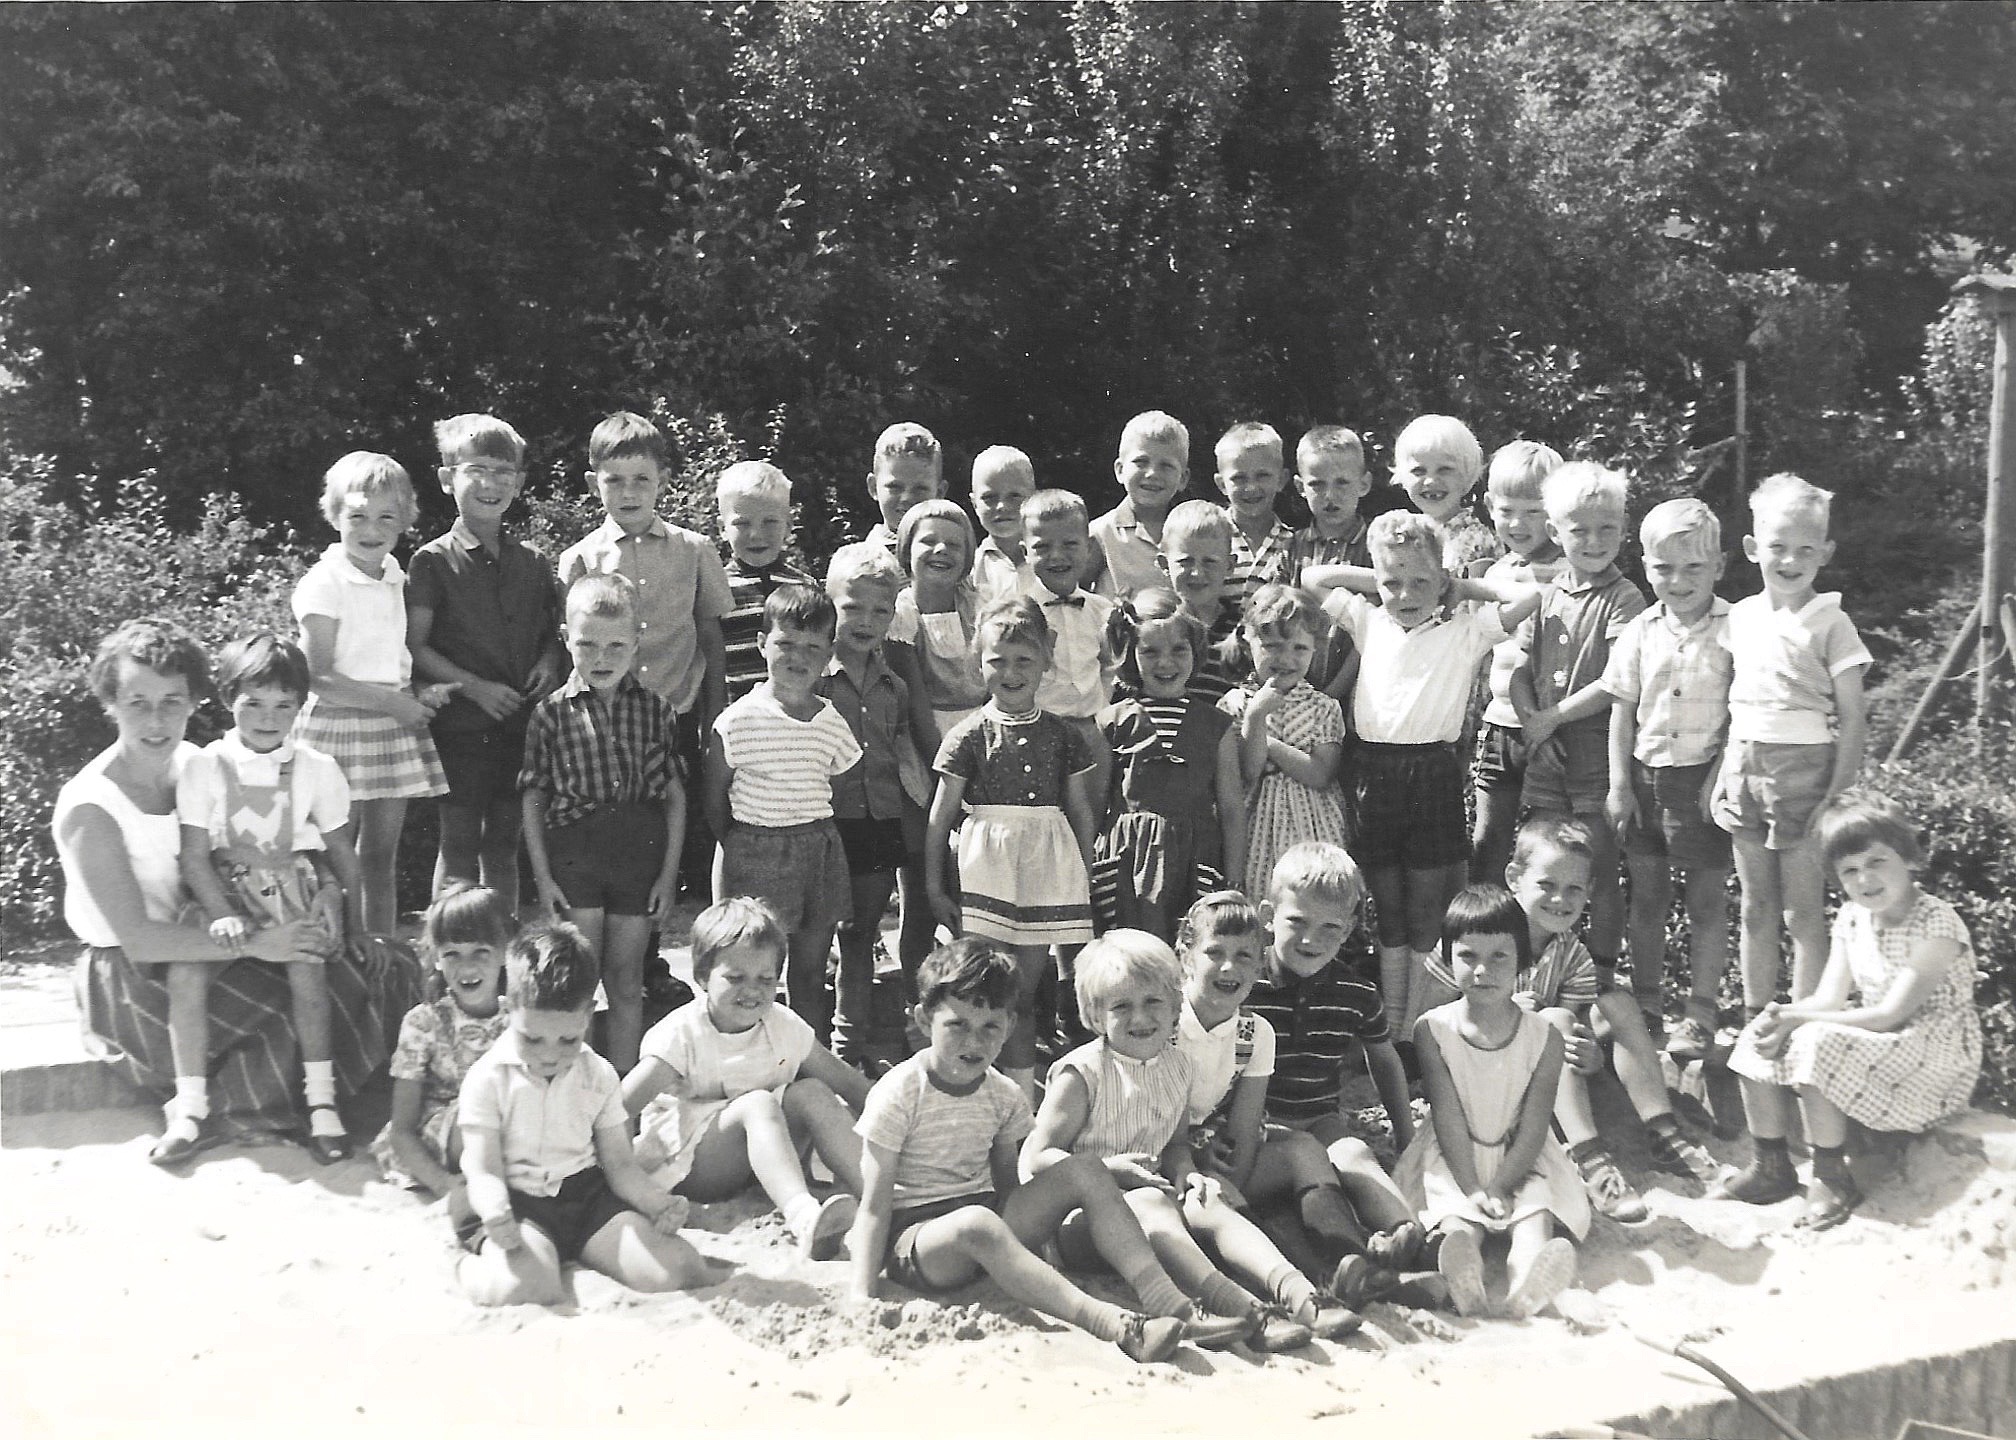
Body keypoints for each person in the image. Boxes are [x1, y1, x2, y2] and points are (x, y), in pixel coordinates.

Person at [61, 620, 405, 1166]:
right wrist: (261, 942)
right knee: (313, 988)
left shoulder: (194, 763)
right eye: (137, 703)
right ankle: (195, 1108)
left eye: (172, 701)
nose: (156, 720)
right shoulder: (90, 806)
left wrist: (331, 893)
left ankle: (329, 1106)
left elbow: (297, 840)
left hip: (224, 931)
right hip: (138, 973)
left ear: (197, 701)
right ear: (110, 703)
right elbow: (143, 941)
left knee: (354, 968)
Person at [844, 936, 1190, 1363]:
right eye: (958, 1026)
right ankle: (1114, 1324)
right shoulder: (899, 1092)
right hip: (923, 1243)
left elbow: (1009, 1188)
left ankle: (1164, 1297)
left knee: (1084, 1168)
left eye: (990, 1027)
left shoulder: (1003, 1094)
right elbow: (876, 1205)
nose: (975, 1042)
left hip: (987, 1222)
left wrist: (1031, 1249)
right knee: (978, 1223)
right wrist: (862, 1295)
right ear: (923, 1019)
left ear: (1008, 1027)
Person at [1020, 930, 1316, 1352]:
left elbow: (1175, 1144)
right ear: (1095, 1015)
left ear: (1176, 1003)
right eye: (1122, 1006)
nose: (1140, 1018)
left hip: (1150, 1203)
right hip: (1078, 1223)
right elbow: (1036, 1158)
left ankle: (1297, 1293)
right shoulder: (1082, 1074)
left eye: (1153, 1002)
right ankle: (1236, 1307)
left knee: (1206, 1200)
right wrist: (1111, 1170)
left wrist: (1187, 1173)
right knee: (1149, 1204)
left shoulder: (1176, 1067)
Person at [1302, 512, 1541, 1032]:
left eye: (1420, 582)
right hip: (1372, 772)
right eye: (1393, 582)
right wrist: (1381, 577)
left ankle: (1420, 1029)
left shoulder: (1465, 627)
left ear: (1442, 580)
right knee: (1387, 908)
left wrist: (1456, 585)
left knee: (1428, 911)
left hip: (1431, 774)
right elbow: (1312, 579)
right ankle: (1388, 1025)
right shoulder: (1370, 620)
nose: (1406, 594)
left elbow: (1528, 597)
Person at [1722, 793, 1982, 1229]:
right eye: (1850, 871)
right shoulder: (1852, 917)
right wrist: (1782, 1017)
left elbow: (1891, 1014)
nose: (1865, 880)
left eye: (1877, 862)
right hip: (1884, 1038)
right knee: (1759, 1032)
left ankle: (1831, 1175)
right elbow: (1827, 999)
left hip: (1934, 1051)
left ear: (1909, 858)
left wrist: (1800, 1021)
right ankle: (1772, 1164)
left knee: (1817, 1040)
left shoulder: (1937, 923)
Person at [175, 633, 370, 1163]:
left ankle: (322, 1105)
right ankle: (189, 1107)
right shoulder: (204, 766)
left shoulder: (314, 767)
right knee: (186, 971)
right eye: (253, 703)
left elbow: (342, 852)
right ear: (227, 699)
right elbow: (194, 856)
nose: (268, 717)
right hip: (221, 889)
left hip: (287, 886)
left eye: (285, 705)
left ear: (301, 706)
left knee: (308, 969)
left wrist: (356, 925)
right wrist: (221, 916)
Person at [1174, 888, 1417, 1314]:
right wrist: (1205, 1165)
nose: (1230, 967)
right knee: (1220, 1196)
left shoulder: (1255, 1032)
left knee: (1303, 1151)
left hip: (1218, 1150)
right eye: (1215, 953)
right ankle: (1310, 1279)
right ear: (1186, 956)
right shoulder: (1167, 1028)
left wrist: (1237, 1170)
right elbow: (1155, 1118)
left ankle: (1349, 1261)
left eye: (1244, 957)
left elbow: (1245, 1127)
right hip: (1169, 1163)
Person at [456, 921, 721, 1305]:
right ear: (509, 1008)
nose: (550, 1054)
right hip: (516, 1200)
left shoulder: (597, 1074)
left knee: (678, 1269)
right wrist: (493, 1208)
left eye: (568, 1039)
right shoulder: (488, 1078)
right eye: (532, 1038)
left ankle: (575, 1251)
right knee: (529, 1288)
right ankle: (468, 1268)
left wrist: (655, 1203)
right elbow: (482, 1167)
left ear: (588, 1013)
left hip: (584, 1196)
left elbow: (620, 1164)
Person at [622, 898, 869, 1259]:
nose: (752, 990)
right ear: (703, 977)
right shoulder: (681, 1035)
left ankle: (887, 1195)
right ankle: (802, 1218)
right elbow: (620, 1107)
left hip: (768, 1162)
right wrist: (622, 1179)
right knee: (758, 1104)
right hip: (692, 1165)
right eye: (735, 978)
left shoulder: (782, 1025)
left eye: (765, 979)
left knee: (813, 1091)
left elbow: (849, 1084)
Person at [1502, 817, 1719, 1226]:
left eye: (1573, 890)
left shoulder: (1572, 953)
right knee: (1554, 1018)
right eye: (1546, 886)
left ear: (1589, 893)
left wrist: (1590, 1058)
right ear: (1514, 878)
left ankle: (1663, 1131)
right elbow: (1443, 1014)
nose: (1559, 901)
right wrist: (1504, 1008)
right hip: (1494, 1065)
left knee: (1615, 1003)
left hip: (1548, 1067)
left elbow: (1573, 1026)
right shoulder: (1487, 932)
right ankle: (1590, 1158)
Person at [925, 597, 1097, 1099]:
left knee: (1019, 988)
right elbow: (941, 817)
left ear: (1046, 659)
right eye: (998, 659)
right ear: (979, 661)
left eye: (1024, 659)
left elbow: (1080, 809)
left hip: (1045, 866)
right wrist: (936, 884)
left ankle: (1019, 1097)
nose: (1011, 671)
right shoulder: (967, 736)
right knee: (981, 986)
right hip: (986, 868)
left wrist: (1080, 874)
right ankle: (969, 1086)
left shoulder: (1063, 736)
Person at [1711, 472, 1871, 1012]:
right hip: (1744, 772)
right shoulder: (1740, 617)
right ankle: (1758, 1015)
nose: (1790, 560)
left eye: (1805, 549)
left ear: (1824, 553)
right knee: (1756, 907)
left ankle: (1806, 1019)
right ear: (1754, 548)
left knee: (1802, 912)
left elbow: (1853, 718)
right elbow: (1734, 706)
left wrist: (1838, 793)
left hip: (1806, 775)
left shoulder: (1833, 623)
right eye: (1777, 547)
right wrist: (1721, 777)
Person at [1395, 887, 1589, 1320]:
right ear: (1447, 959)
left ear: (1523, 960)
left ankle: (1526, 1283)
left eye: (1499, 956)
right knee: (1457, 1219)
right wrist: (1473, 1189)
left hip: (1521, 1154)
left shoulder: (1544, 1036)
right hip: (1453, 1154)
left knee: (1534, 1210)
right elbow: (1445, 1114)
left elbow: (1537, 1122)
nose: (1483, 970)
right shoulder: (1433, 1030)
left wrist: (1501, 1185)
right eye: (1468, 956)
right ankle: (1466, 1277)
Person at [520, 574, 686, 1074]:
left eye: (616, 644)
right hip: (576, 855)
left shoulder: (656, 710)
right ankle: (575, 1085)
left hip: (637, 853)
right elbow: (533, 798)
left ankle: (621, 1095)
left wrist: (667, 876)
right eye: (587, 643)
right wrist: (544, 876)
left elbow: (674, 799)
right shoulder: (550, 714)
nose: (602, 656)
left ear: (637, 640)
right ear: (567, 639)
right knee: (579, 978)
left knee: (626, 979)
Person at [556, 410, 732, 870]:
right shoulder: (578, 559)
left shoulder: (694, 550)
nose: (629, 492)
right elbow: (572, 649)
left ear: (664, 481)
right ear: (594, 483)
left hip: (679, 709)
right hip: (611, 720)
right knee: (623, 825)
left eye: (641, 479)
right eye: (614, 480)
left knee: (681, 823)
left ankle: (670, 925)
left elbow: (712, 637)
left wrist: (714, 715)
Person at [408, 413, 566, 911]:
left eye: (504, 472)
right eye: (477, 469)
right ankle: (447, 959)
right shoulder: (431, 562)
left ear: (519, 483)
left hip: (520, 727)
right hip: (461, 728)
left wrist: (548, 661)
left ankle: (499, 955)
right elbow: (416, 647)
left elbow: (554, 635)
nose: (491, 483)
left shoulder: (534, 562)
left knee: (504, 843)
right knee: (458, 846)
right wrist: (474, 687)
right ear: (446, 477)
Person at [293, 451, 455, 936]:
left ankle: (378, 957)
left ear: (405, 520)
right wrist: (394, 704)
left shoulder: (394, 576)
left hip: (390, 727)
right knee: (331, 857)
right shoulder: (323, 582)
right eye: (358, 516)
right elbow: (316, 676)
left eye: (387, 517)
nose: (372, 529)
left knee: (380, 858)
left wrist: (418, 694)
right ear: (335, 514)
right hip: (337, 729)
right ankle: (333, 956)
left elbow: (387, 659)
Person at [1603, 498, 1735, 1062]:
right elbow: (1621, 711)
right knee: (1648, 896)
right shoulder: (1639, 630)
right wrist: (1618, 785)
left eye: (1693, 568)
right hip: (1645, 777)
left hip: (1703, 779)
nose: (1677, 581)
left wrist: (1721, 777)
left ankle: (1701, 1012)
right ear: (1645, 565)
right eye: (1663, 568)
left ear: (1720, 566)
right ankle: (1650, 1003)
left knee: (1706, 899)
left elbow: (1743, 710)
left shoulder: (1736, 628)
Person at [706, 583, 861, 1039]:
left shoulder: (831, 721)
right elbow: (715, 795)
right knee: (747, 968)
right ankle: (741, 1051)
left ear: (829, 653)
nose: (798, 657)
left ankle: (803, 1061)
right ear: (761, 644)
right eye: (785, 643)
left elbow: (840, 785)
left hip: (816, 853)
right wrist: (738, 846)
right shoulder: (738, 720)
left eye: (812, 647)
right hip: (754, 853)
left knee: (809, 973)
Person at [819, 543, 932, 1067]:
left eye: (880, 610)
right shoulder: (814, 679)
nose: (867, 620)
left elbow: (904, 752)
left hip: (879, 819)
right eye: (853, 607)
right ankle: (812, 1047)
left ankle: (851, 1049)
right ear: (829, 602)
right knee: (816, 939)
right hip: (824, 821)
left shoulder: (895, 685)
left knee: (861, 935)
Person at [1092, 589, 1246, 942]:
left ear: (1196, 652)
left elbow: (1232, 807)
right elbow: (1096, 805)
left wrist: (1234, 880)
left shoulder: (1215, 724)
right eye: (1150, 652)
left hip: (1196, 858)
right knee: (1129, 951)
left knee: (1191, 948)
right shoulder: (1112, 721)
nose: (1166, 663)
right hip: (1126, 863)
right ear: (1131, 654)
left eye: (1179, 650)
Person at [371, 883, 514, 1206]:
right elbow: (402, 1130)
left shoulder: (518, 1018)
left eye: (481, 952)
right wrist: (442, 1184)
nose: (467, 967)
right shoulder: (424, 1022)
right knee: (476, 1115)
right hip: (446, 1135)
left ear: (505, 952)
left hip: (509, 1124)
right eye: (452, 954)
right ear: (436, 958)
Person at [1469, 440, 1567, 882]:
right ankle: (1486, 935)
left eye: (1535, 512)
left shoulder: (1567, 572)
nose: (1519, 524)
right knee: (1488, 843)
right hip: (1498, 724)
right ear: (1489, 505)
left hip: (1547, 723)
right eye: (1508, 510)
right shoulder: (1493, 574)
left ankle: (1537, 938)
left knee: (1546, 845)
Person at [1220, 584, 1348, 900]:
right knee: (1262, 897)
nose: (1286, 659)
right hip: (1256, 824)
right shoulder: (1235, 705)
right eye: (1273, 646)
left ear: (1315, 649)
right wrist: (1255, 717)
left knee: (1312, 897)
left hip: (1311, 824)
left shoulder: (1323, 706)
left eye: (1299, 648)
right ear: (1248, 642)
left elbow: (1320, 774)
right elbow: (1248, 774)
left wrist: (1271, 746)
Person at [1019, 488, 1117, 801]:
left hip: (1091, 734)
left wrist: (1099, 715)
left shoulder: (1103, 610)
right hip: (1037, 732)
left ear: (1088, 548)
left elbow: (1109, 667)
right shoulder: (1019, 613)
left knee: (1089, 825)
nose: (1057, 556)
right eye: (1043, 547)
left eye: (1070, 544)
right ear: (1025, 552)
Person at [886, 498, 989, 759]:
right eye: (929, 541)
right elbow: (916, 704)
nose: (942, 549)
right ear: (907, 550)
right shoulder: (903, 614)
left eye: (954, 545)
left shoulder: (978, 607)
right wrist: (944, 764)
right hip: (929, 739)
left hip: (984, 727)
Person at [1285, 425, 1375, 700]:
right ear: (1301, 487)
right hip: (1294, 688)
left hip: (1359, 689)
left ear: (1364, 484)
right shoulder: (1291, 548)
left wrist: (1335, 694)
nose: (1330, 495)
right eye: (1317, 484)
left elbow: (1372, 633)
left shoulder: (1377, 547)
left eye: (1342, 482)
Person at [716, 460, 817, 704]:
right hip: (735, 715)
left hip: (794, 713)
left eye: (770, 522)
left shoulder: (804, 587)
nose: (756, 534)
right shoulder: (715, 587)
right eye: (742, 523)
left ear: (788, 525)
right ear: (722, 528)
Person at [1156, 500, 1249, 703]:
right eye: (1185, 561)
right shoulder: (1154, 625)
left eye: (1210, 562)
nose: (1197, 573)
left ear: (1230, 565)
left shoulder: (1244, 631)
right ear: (1164, 564)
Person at [1094, 410, 1192, 601]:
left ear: (1183, 478)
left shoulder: (1192, 532)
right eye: (1141, 462)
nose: (1152, 473)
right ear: (1120, 470)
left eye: (1166, 465)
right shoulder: (1100, 534)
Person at [1391, 414, 1501, 578]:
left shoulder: (1476, 538)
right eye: (1419, 471)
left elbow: (1480, 600)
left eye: (1444, 470)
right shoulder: (1406, 531)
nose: (1430, 481)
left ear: (1467, 475)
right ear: (1403, 478)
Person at [1213, 422, 1294, 606]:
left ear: (1281, 480)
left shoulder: (1293, 544)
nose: (1251, 487)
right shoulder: (1208, 536)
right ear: (1222, 484)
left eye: (1262, 475)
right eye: (1239, 478)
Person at [863, 421, 944, 552]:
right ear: (873, 487)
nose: (906, 498)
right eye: (894, 487)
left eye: (920, 489)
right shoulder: (857, 563)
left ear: (940, 493)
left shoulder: (952, 559)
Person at [969, 445, 1035, 604]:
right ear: (974, 504)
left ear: (1033, 497)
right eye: (989, 497)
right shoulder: (971, 567)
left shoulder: (1050, 556)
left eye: (1014, 496)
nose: (1002, 506)